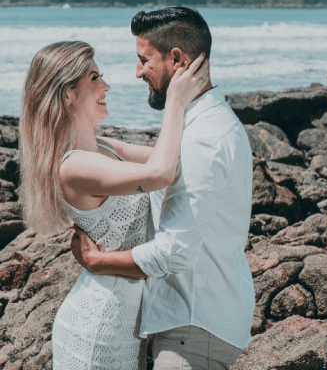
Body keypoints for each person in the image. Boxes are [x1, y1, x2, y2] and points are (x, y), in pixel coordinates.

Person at [70, 7, 256, 369]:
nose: (137, 72)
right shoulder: (202, 122)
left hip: (194, 325)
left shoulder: (204, 138)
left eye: (144, 60)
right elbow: (159, 159)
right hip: (196, 318)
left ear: (176, 59)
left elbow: (175, 253)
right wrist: (95, 142)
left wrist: (97, 261)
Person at [18, 40, 208, 369]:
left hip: (124, 317)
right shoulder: (73, 166)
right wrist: (175, 103)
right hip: (99, 327)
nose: (106, 85)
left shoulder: (103, 148)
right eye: (94, 77)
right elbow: (160, 173)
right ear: (67, 95)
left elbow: (179, 157)